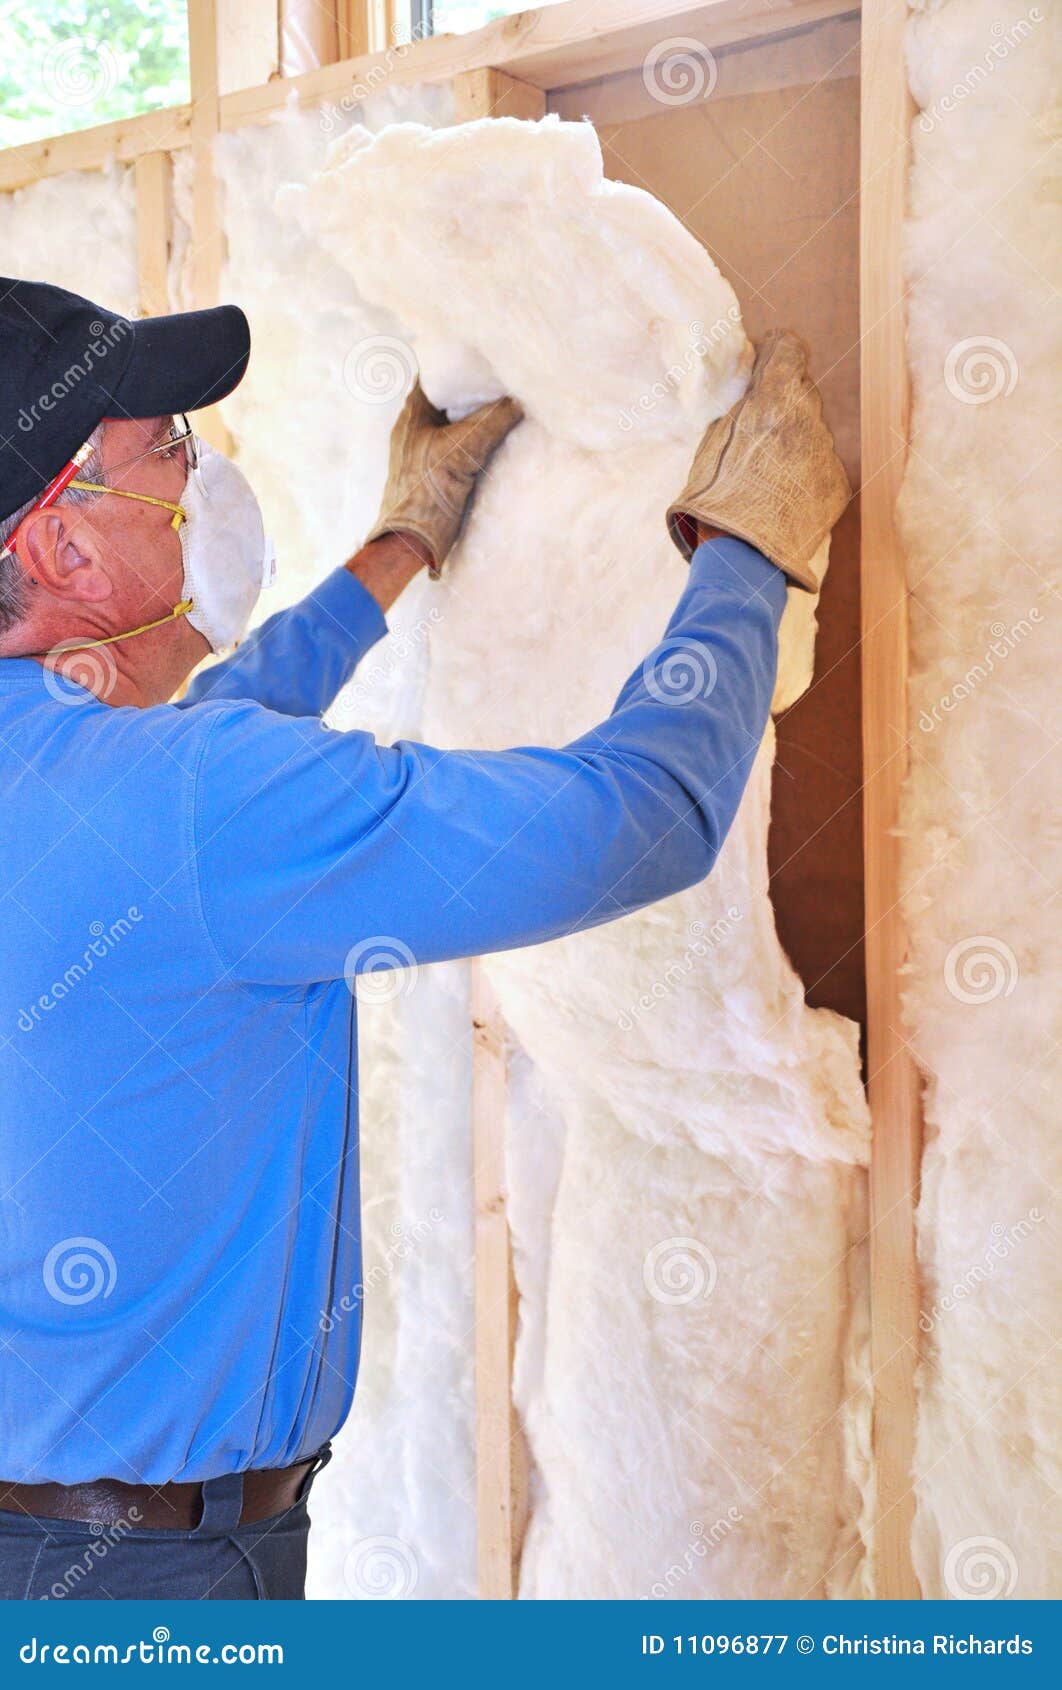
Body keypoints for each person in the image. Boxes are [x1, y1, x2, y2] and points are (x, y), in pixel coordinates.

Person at [0, 277, 849, 1600]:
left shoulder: (96, 778)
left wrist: (397, 547)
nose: (198, 466)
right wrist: (747, 544)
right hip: (153, 1584)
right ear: (62, 548)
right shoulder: (192, 809)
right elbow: (641, 818)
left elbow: (202, 764)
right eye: (165, 447)